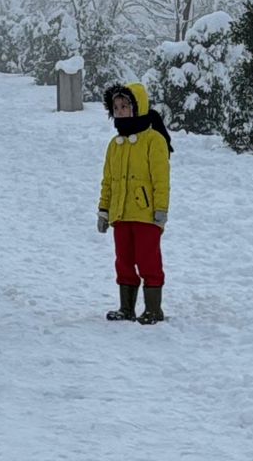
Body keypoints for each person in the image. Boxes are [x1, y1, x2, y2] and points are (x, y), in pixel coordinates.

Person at [97, 82, 173, 325]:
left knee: (148, 260)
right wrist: (103, 210)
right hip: (120, 214)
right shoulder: (114, 145)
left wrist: (160, 209)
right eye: (116, 107)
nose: (120, 111)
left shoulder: (153, 140)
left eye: (125, 106)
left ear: (138, 107)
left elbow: (161, 180)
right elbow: (108, 181)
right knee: (124, 261)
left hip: (146, 215)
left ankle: (153, 309)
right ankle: (126, 307)